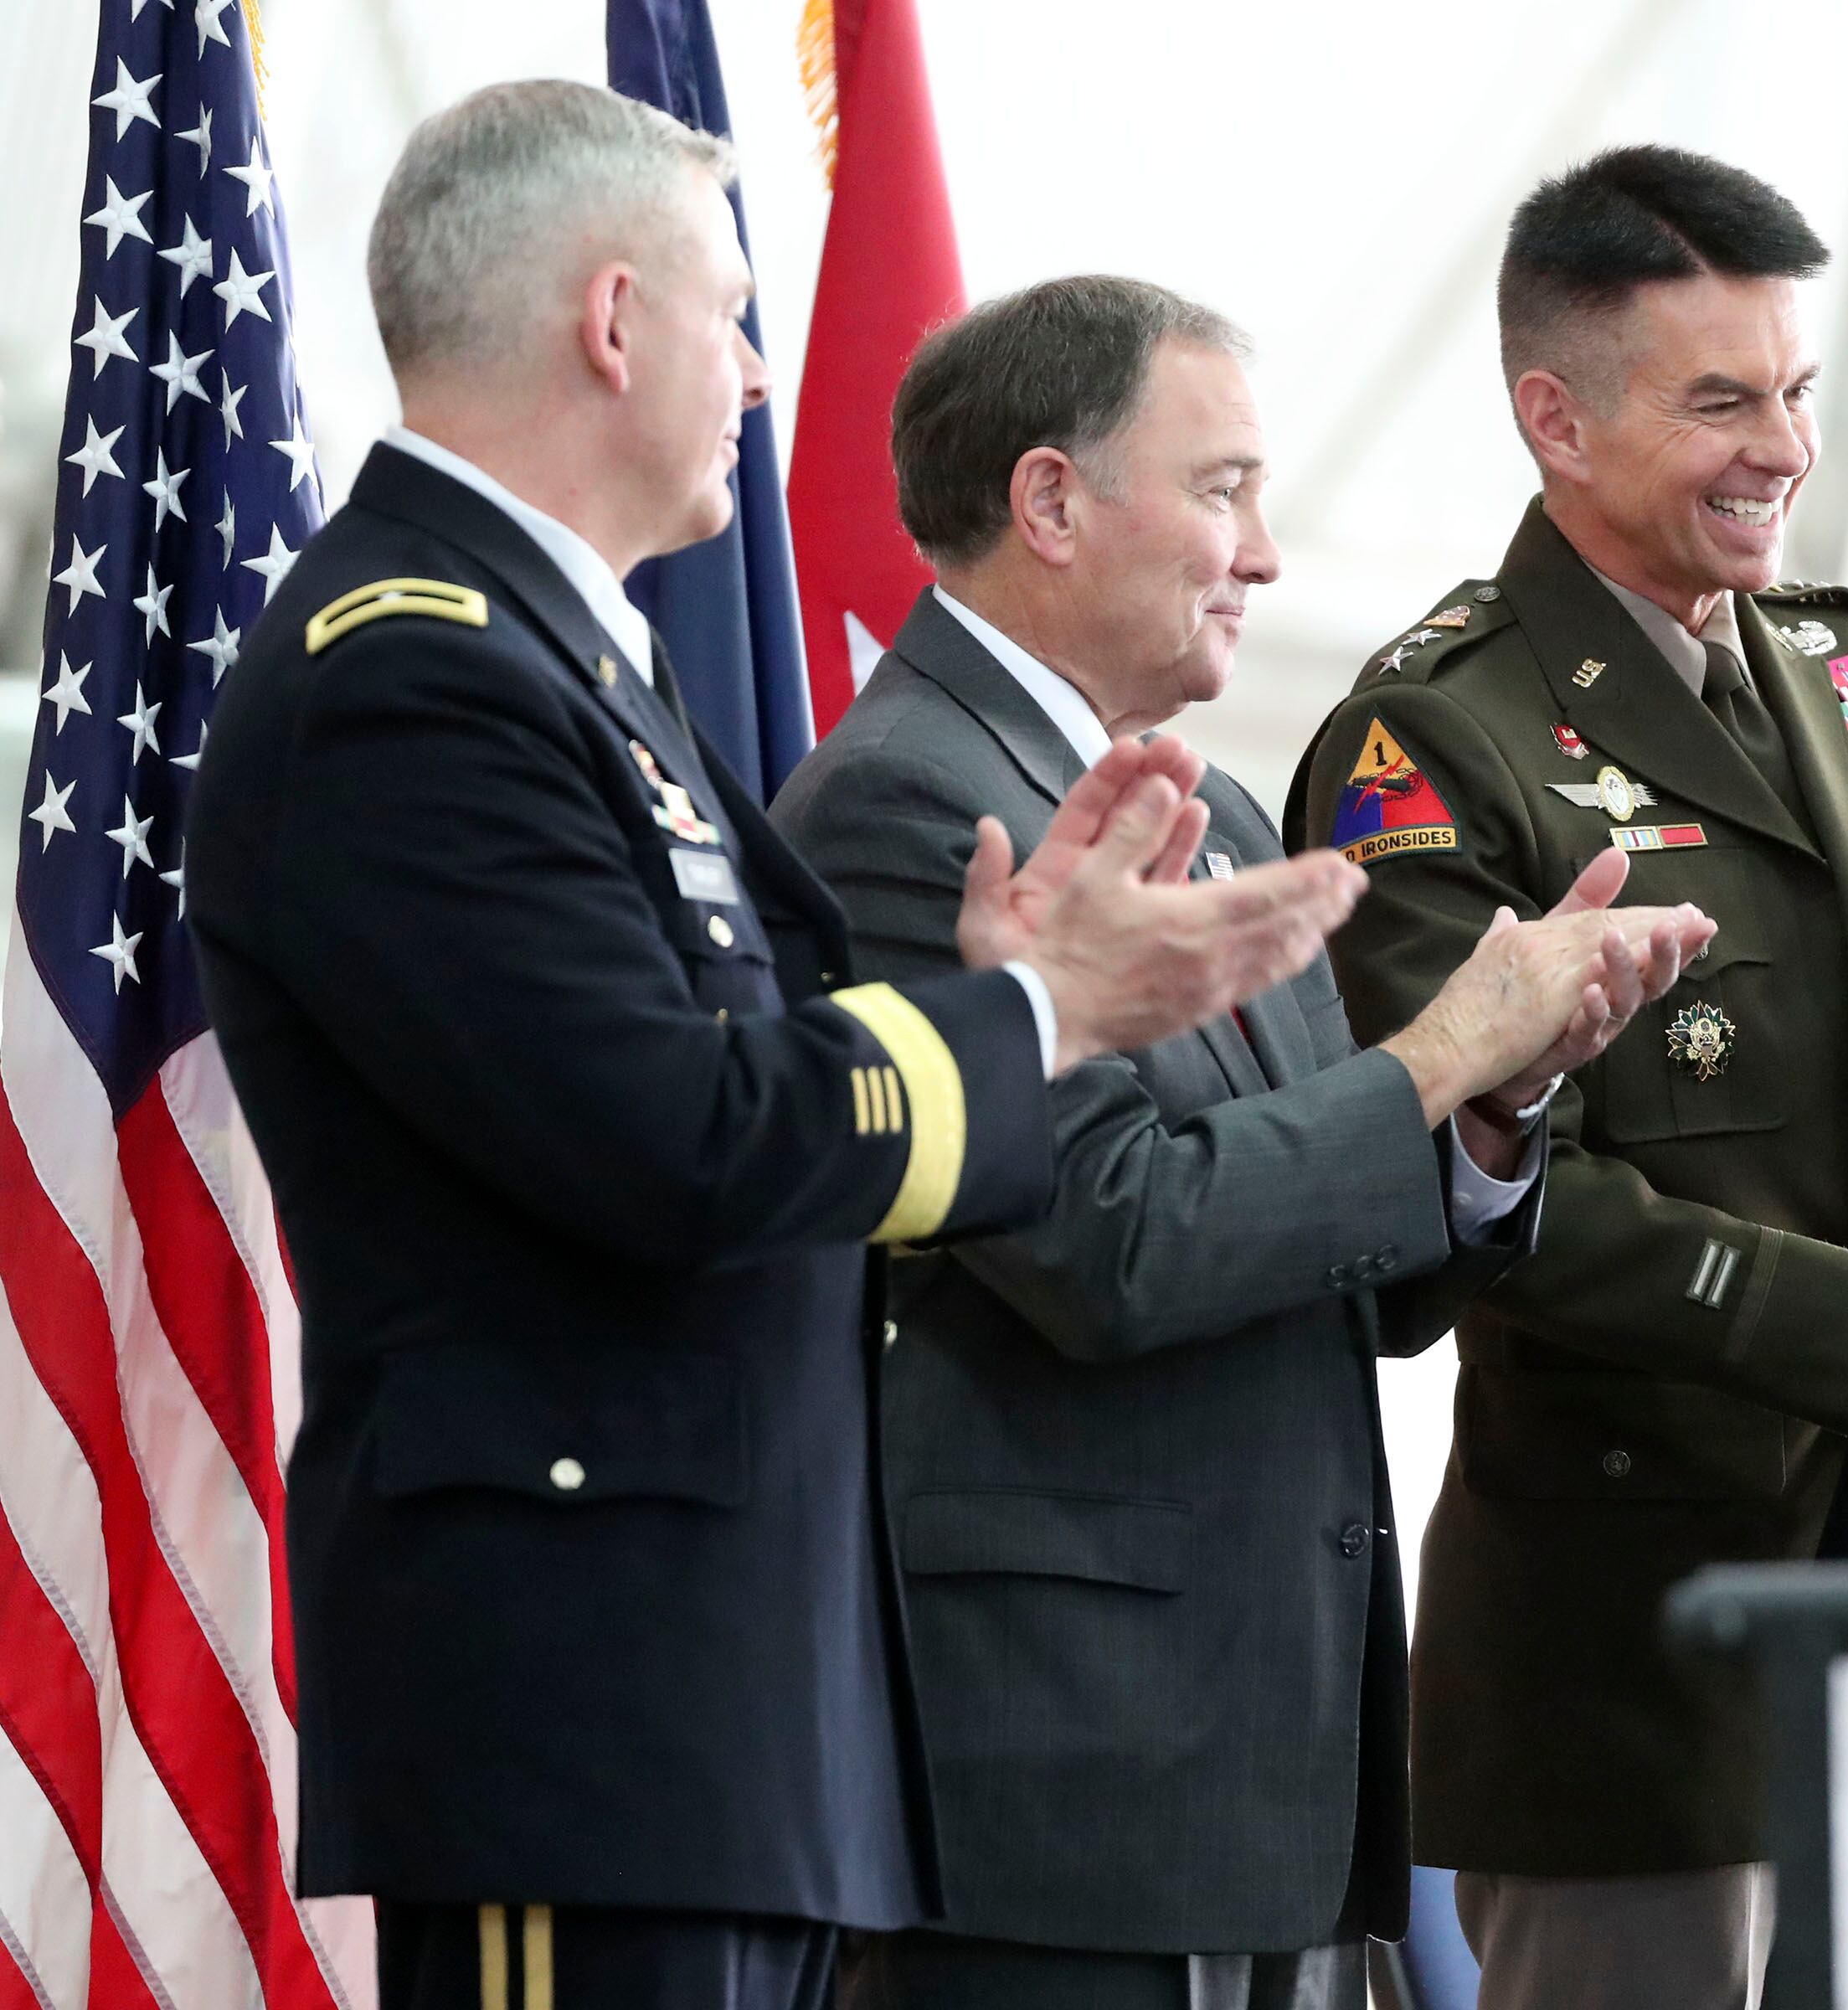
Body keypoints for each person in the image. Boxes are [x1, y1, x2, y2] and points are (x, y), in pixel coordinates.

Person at [187, 83, 1361, 2010]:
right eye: (734, 316)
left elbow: (740, 1090)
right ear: (614, 319)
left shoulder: (561, 664)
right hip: (581, 1703)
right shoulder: (416, 674)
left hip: (710, 1698)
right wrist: (1042, 1011)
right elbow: (674, 1137)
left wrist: (991, 983)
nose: (755, 373)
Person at [770, 275, 1714, 2010]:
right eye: (1221, 492)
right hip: (1056, 1801)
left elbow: (1340, 1272)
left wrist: (1495, 1106)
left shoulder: (1201, 811)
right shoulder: (902, 808)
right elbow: (1107, 1249)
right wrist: (1437, 1053)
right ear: (1049, 501)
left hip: (1253, 1778)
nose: (1265, 556)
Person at [1285, 146, 1848, 2008]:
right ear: (1553, 421)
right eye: (1721, 400)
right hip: (1624, 1684)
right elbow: (1479, 1190)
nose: (1782, 448)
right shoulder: (1432, 738)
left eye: (1796, 392)